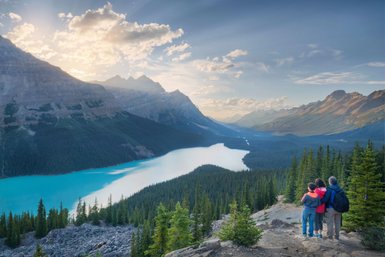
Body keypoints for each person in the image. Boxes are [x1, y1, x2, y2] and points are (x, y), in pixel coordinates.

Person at [321, 176, 342, 240]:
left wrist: (319, 201)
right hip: (339, 209)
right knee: (337, 223)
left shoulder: (329, 189)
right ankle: (337, 237)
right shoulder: (340, 189)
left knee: (330, 223)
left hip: (330, 208)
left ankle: (330, 237)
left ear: (330, 182)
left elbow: (325, 199)